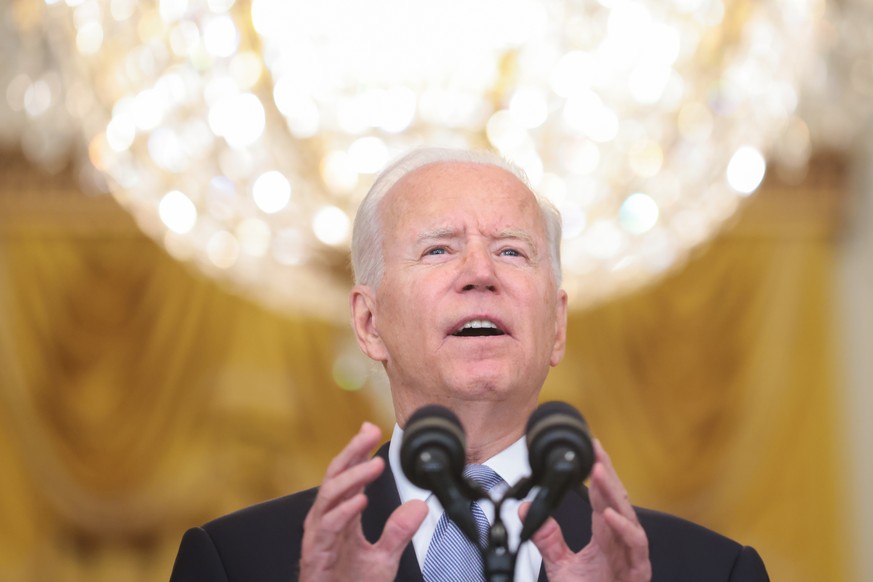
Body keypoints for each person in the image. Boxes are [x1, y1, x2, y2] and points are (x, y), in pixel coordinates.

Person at [169, 147, 769, 581]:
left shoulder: (711, 570)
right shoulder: (236, 562)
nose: (481, 273)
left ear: (556, 326)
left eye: (511, 250)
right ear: (369, 323)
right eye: (438, 249)